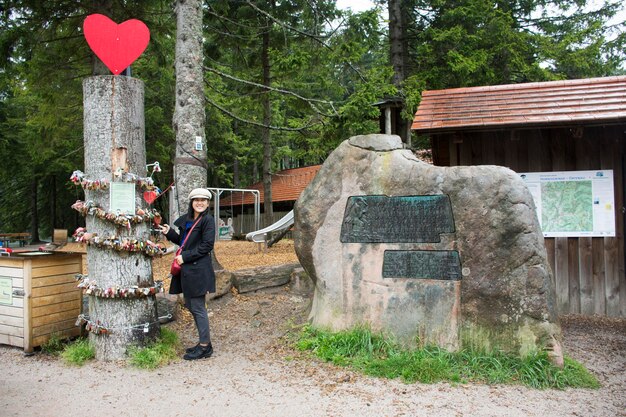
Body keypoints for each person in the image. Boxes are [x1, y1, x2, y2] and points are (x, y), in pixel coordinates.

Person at [159, 188, 216, 360]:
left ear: (207, 203)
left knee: (198, 307)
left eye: (203, 200)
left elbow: (207, 245)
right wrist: (170, 233)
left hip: (198, 269)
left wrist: (185, 257)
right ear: (191, 202)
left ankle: (205, 347)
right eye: (196, 200)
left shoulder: (208, 220)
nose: (200, 203)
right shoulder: (189, 220)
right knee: (191, 305)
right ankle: (204, 343)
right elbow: (183, 242)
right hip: (187, 270)